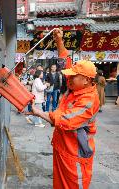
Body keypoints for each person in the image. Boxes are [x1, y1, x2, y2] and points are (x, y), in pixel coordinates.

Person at [30, 28, 99, 189]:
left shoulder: (89, 100)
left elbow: (66, 121)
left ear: (87, 80)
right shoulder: (76, 86)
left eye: (74, 76)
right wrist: (59, 40)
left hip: (75, 155)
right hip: (62, 147)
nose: (69, 78)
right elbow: (64, 61)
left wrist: (39, 112)